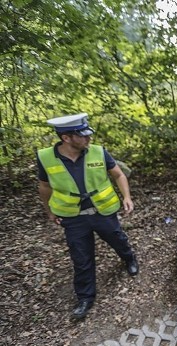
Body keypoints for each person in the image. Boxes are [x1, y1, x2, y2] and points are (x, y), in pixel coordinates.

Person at [37, 113, 139, 320]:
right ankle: (85, 298)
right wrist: (49, 211)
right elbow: (45, 186)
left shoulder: (98, 152)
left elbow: (118, 174)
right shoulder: (46, 157)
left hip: (103, 211)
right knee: (81, 258)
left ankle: (129, 259)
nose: (88, 139)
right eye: (83, 135)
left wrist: (126, 197)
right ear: (66, 138)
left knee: (118, 239)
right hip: (73, 217)